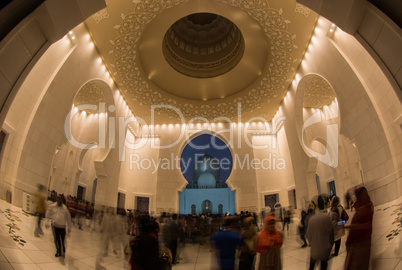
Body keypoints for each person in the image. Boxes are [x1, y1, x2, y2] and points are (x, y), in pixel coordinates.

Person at [344, 187, 373, 270]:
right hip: (364, 242)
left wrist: (349, 226)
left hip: (359, 245)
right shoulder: (367, 206)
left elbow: (365, 225)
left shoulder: (364, 209)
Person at [306, 195, 334, 270]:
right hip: (325, 249)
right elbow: (331, 234)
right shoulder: (327, 217)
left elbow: (308, 235)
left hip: (315, 249)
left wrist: (312, 243)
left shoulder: (312, 219)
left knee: (311, 266)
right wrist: (330, 246)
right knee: (324, 266)